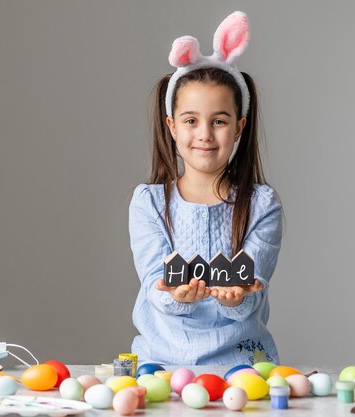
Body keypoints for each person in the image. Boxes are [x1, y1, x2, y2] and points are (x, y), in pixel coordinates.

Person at [129, 11, 283, 365]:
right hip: (161, 361)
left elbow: (254, 280)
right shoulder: (148, 203)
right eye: (191, 121)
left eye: (219, 121)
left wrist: (239, 297)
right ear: (171, 125)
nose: (204, 134)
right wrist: (175, 294)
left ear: (239, 126)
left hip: (244, 362)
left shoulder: (262, 204)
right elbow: (155, 280)